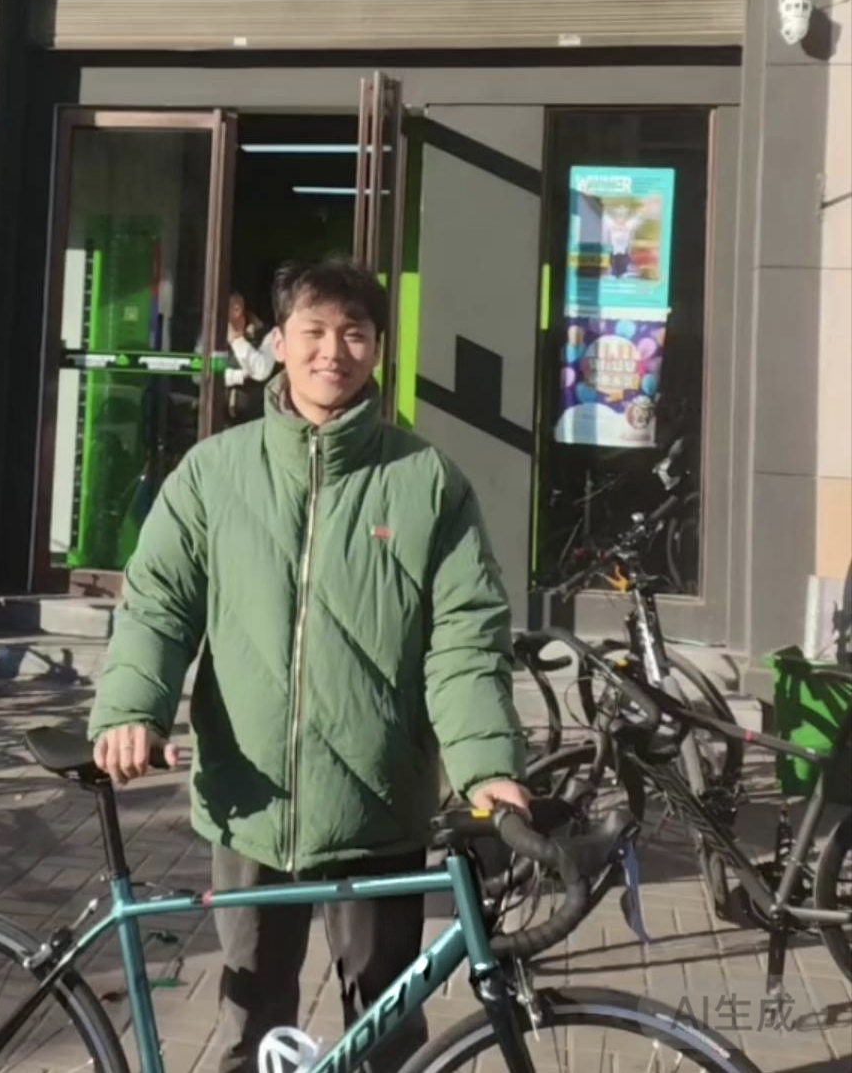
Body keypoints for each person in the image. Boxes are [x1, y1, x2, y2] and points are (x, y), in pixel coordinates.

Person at [90, 258, 528, 1073]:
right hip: (250, 802)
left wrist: (486, 767)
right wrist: (130, 709)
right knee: (250, 1025)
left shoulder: (426, 482)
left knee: (386, 1034)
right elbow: (158, 604)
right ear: (281, 342)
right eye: (315, 331)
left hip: (378, 805)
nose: (334, 351)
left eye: (354, 332)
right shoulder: (214, 474)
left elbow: (466, 639)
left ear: (378, 348)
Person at [223, 292, 278, 424]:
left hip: (257, 421)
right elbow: (200, 373)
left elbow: (260, 370)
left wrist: (237, 340)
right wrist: (239, 376)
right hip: (221, 422)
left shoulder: (268, 335)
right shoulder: (212, 332)